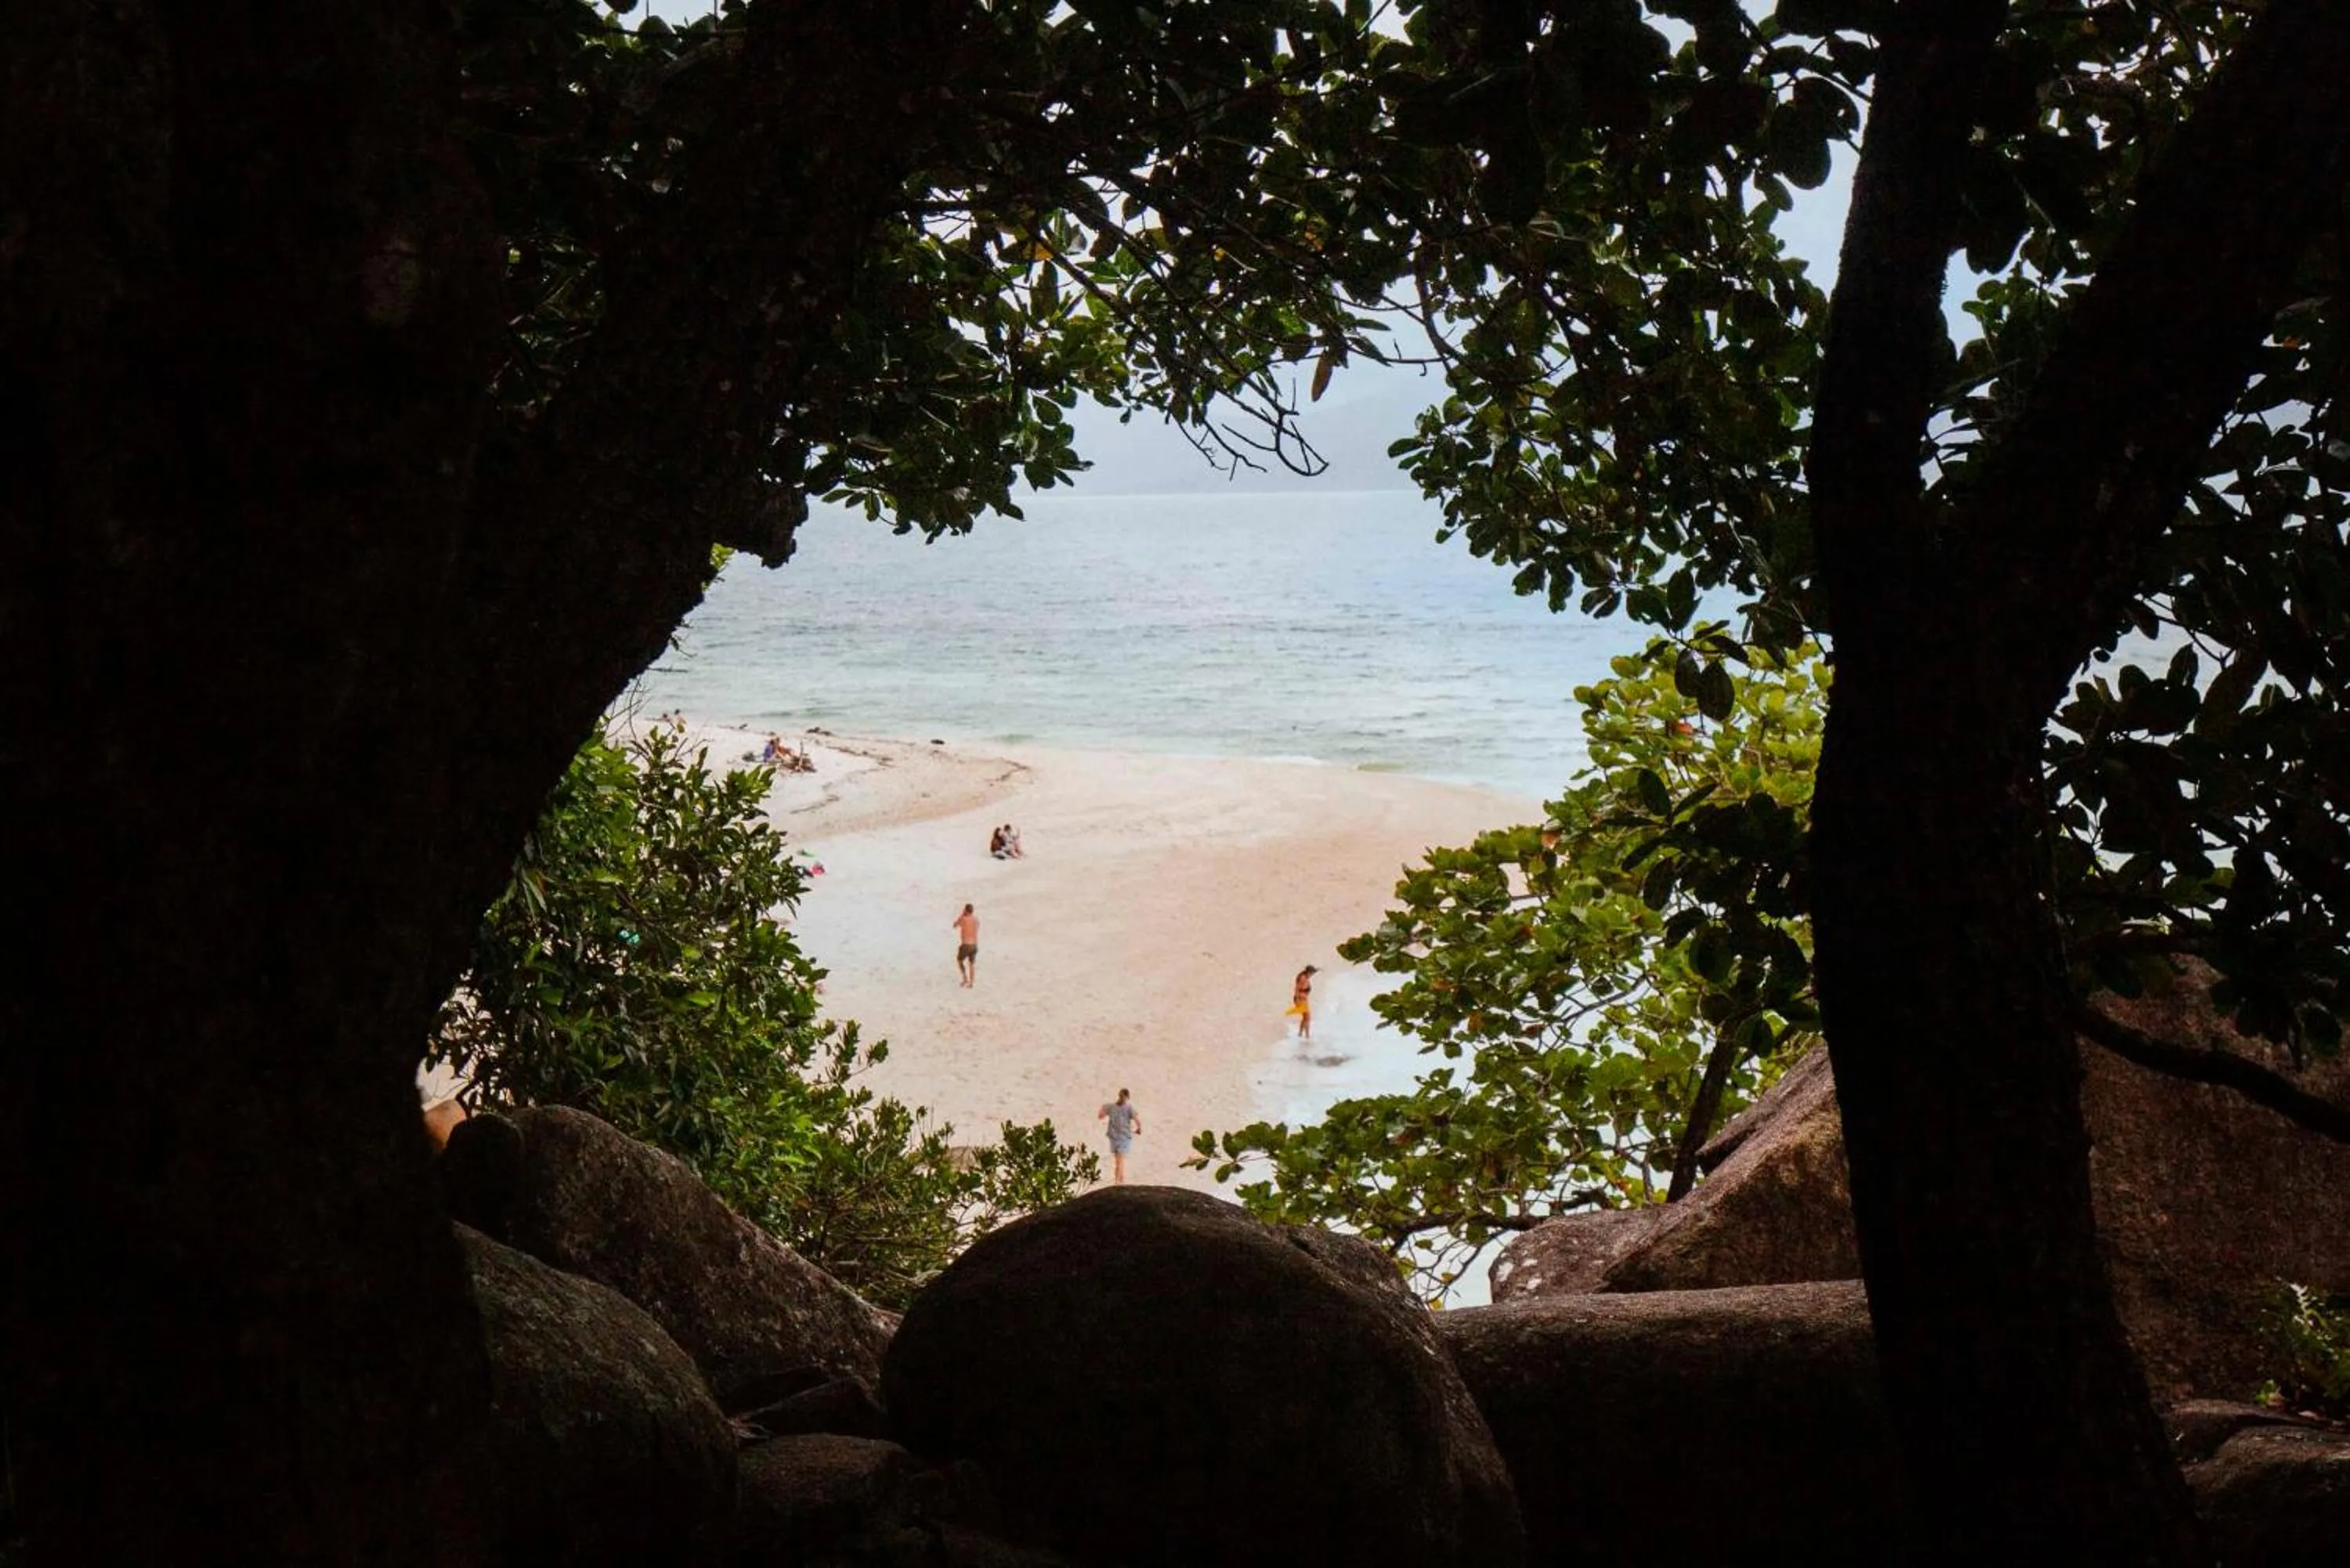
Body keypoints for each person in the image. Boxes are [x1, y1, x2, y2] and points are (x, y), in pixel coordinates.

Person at [1097, 1089, 1141, 1183]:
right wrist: (1139, 1128)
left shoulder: (1121, 1107)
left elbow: (1137, 1119)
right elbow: (1101, 1114)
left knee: (1119, 1160)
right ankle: (1119, 1180)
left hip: (1119, 1136)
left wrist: (1139, 1128)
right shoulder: (1119, 1107)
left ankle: (1119, 1180)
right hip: (1118, 1136)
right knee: (1119, 1160)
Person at [1285, 963, 1318, 1039]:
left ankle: (1303, 1034)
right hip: (1300, 999)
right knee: (1307, 1017)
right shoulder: (1302, 978)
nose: (1312, 975)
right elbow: (1297, 989)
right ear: (1309, 972)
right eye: (1312, 973)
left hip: (1304, 999)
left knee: (1306, 1018)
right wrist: (1297, 1000)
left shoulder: (1306, 977)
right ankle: (1305, 1035)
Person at [953, 903, 980, 987]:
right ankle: (971, 983)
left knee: (960, 960)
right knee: (972, 964)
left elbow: (955, 925)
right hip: (974, 945)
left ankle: (965, 978)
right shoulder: (976, 920)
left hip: (966, 944)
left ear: (966, 910)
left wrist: (962, 915)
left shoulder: (963, 919)